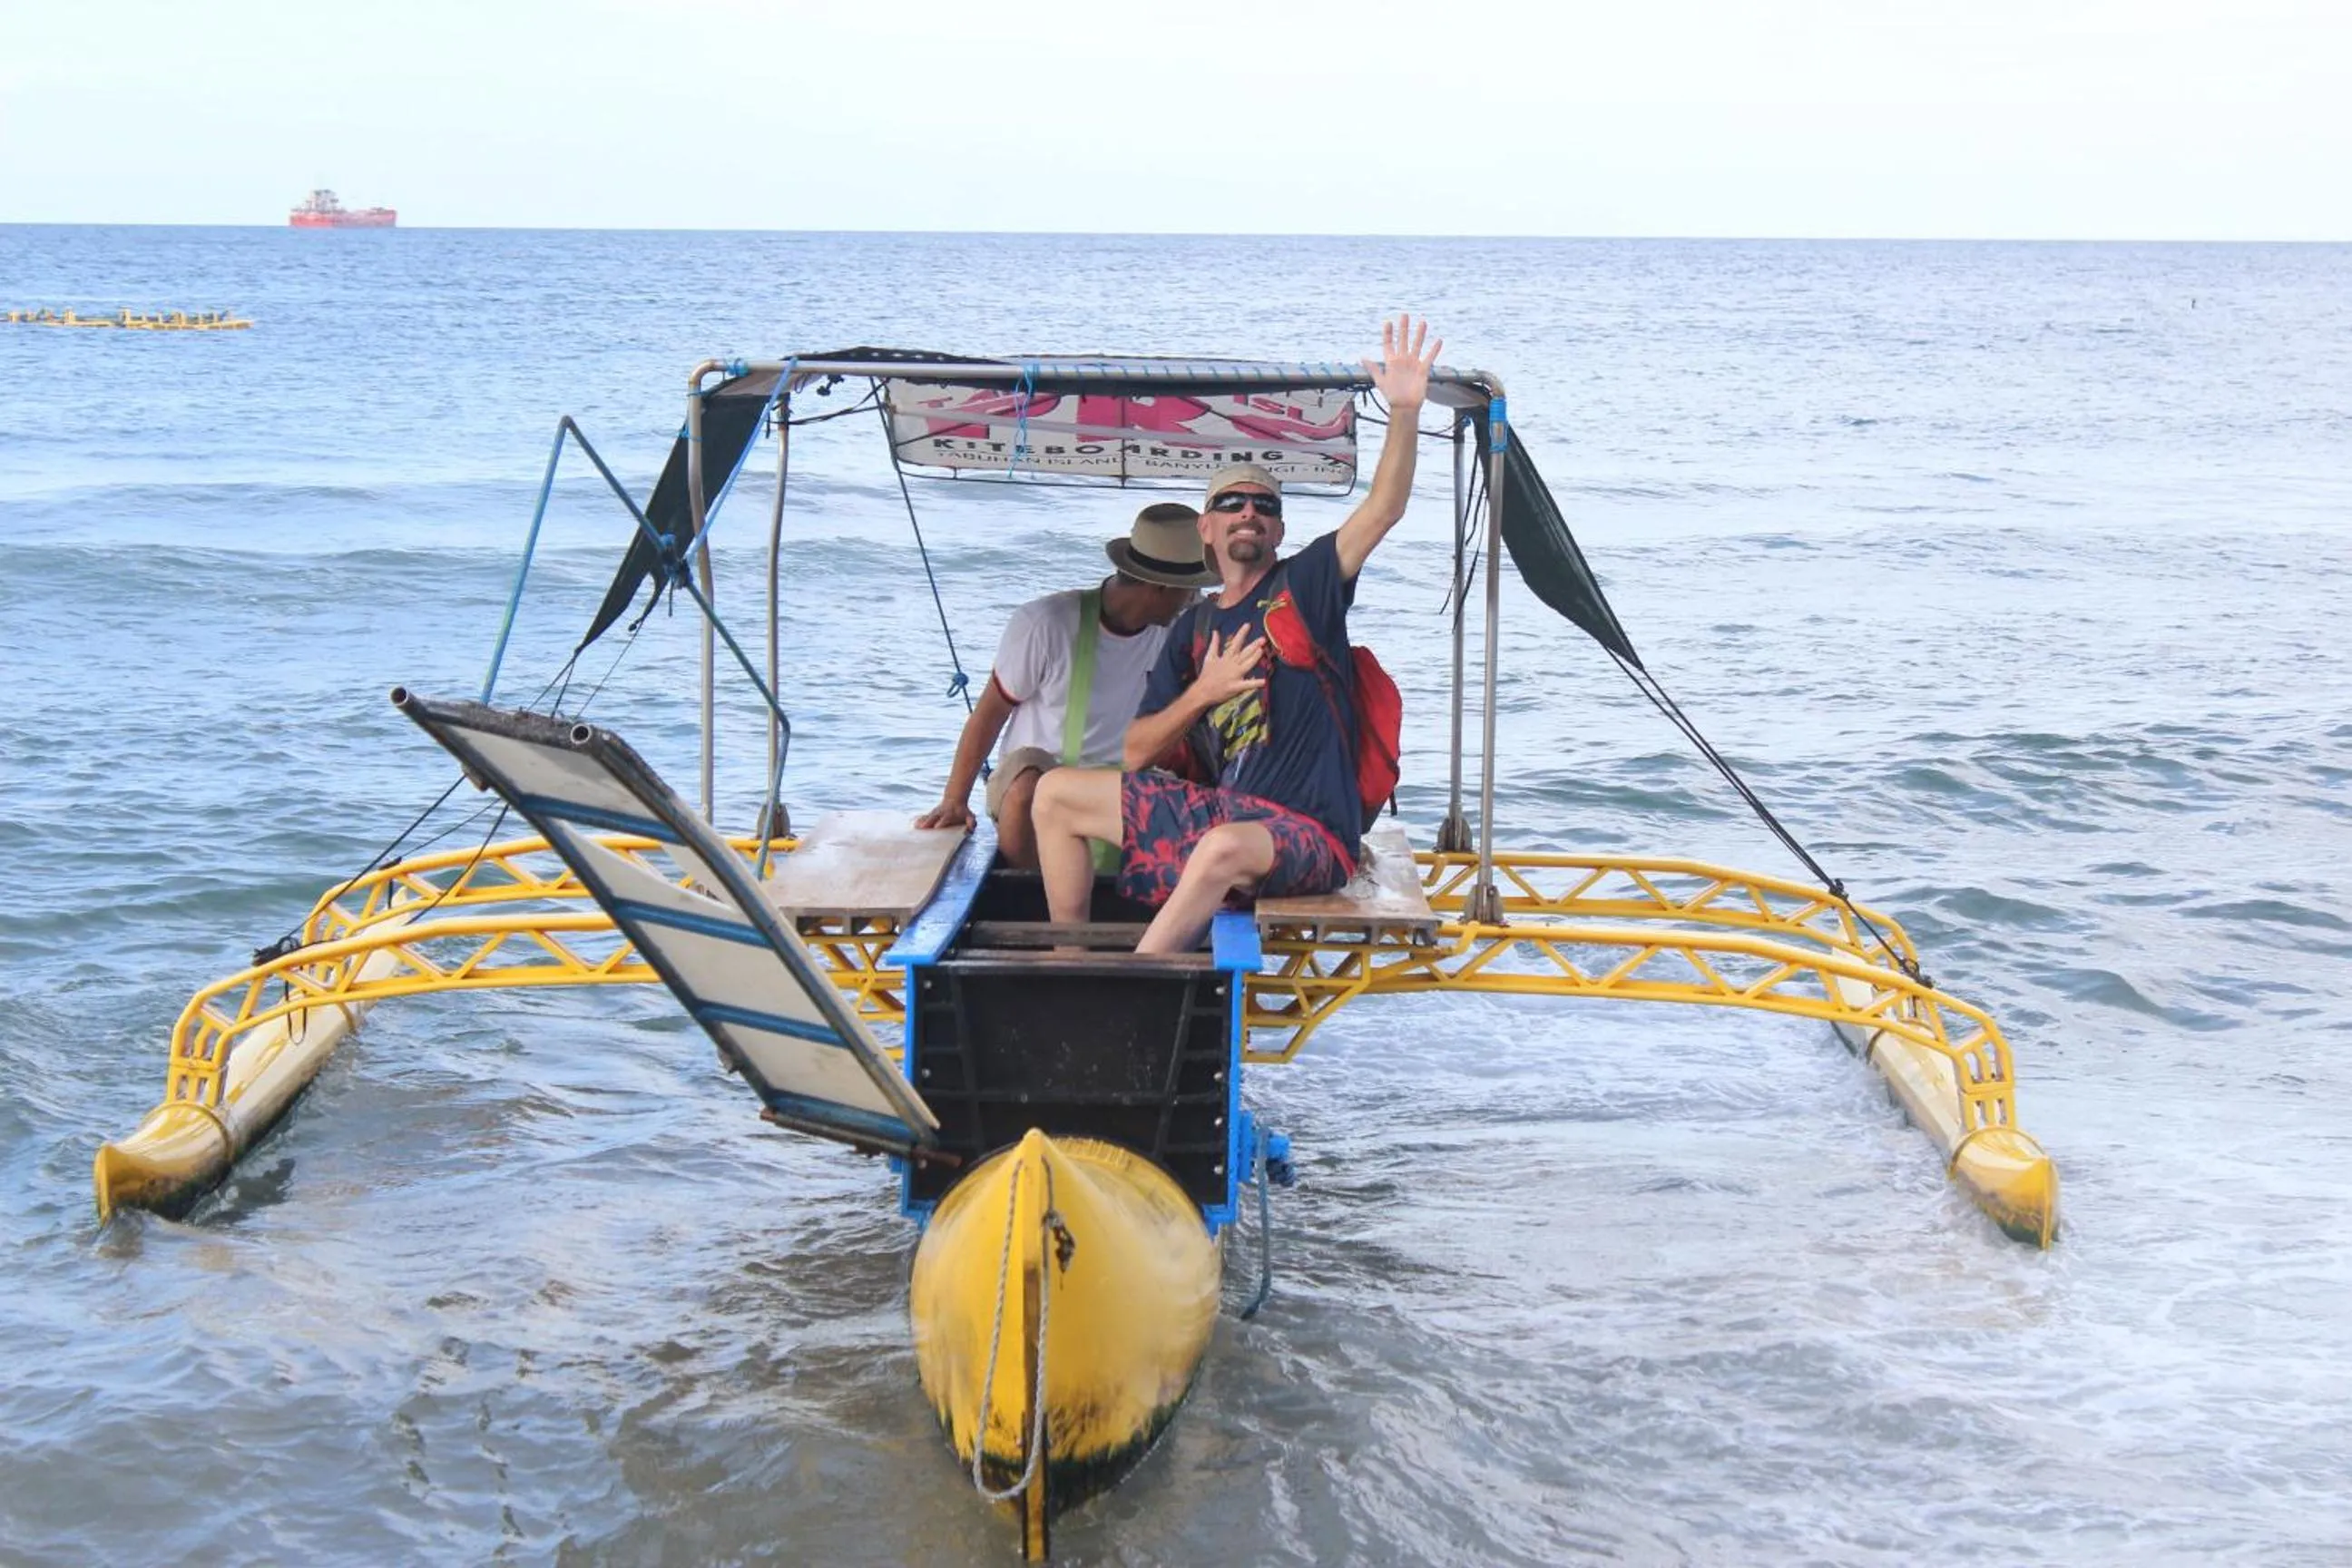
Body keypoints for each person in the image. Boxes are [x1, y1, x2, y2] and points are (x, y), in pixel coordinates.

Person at [1029, 315, 1443, 954]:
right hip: (1224, 816)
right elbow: (1135, 753)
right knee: (1054, 794)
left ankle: (1132, 984)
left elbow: (1383, 509)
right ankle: (1068, 960)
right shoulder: (1192, 629)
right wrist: (1204, 694)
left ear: (1277, 533)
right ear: (1207, 529)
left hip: (1309, 838)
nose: (1249, 511)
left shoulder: (1304, 587)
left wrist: (1406, 410)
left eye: (1265, 506)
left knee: (1223, 847)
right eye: (1232, 503)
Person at [914, 503, 1218, 867]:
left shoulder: (1178, 629)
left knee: (1195, 805)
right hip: (1039, 776)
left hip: (1118, 780)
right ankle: (1024, 891)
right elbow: (989, 714)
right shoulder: (1044, 623)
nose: (1193, 599)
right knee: (1027, 786)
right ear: (1161, 588)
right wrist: (954, 799)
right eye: (1189, 590)